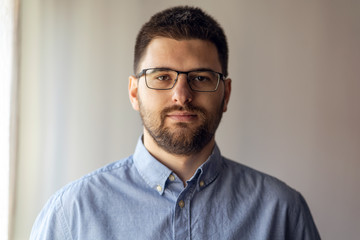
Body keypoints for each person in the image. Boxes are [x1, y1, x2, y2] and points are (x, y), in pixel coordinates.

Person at [30, 6, 320, 240]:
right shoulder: (71, 215)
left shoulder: (281, 212)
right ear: (134, 92)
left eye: (201, 78)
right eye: (162, 77)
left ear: (226, 93)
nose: (182, 96)